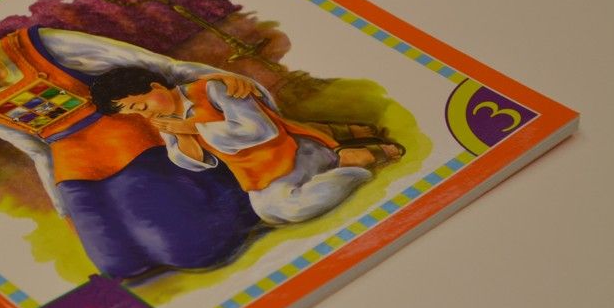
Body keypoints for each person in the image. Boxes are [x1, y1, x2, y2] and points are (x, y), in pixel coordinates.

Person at [0, 18, 265, 279]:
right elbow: (33, 147)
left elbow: (156, 64)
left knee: (197, 251)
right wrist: (64, 206)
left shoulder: (36, 45)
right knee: (120, 264)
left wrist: (216, 80)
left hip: (129, 138)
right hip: (73, 161)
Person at [90, 67, 404, 225]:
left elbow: (259, 130)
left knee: (292, 209)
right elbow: (189, 162)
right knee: (269, 213)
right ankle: (342, 163)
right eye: (134, 113)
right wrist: (183, 136)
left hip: (291, 153)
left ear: (155, 86)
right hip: (257, 174)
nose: (145, 114)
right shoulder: (165, 119)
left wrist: (193, 127)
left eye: (141, 105)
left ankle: (351, 163)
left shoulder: (212, 89)